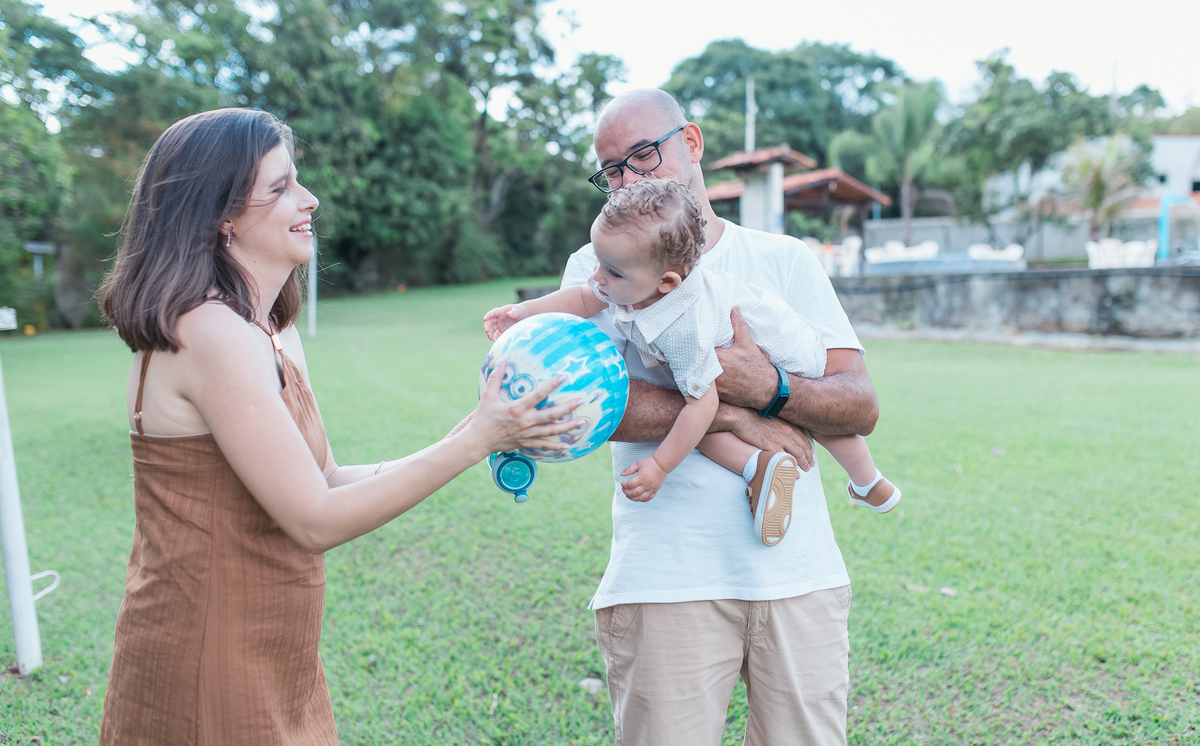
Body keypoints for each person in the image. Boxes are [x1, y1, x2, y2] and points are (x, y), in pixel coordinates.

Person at [95, 108, 582, 745]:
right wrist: (475, 441)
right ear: (220, 215)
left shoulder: (268, 329)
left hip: (272, 638)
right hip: (208, 645)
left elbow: (323, 478)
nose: (310, 199)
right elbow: (315, 520)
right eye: (280, 188)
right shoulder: (209, 332)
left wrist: (476, 430)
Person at [557, 89, 881, 746]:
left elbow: (858, 402)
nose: (629, 179)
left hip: (799, 576)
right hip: (664, 577)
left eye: (643, 155)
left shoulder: (782, 258)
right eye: (612, 169)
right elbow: (589, 399)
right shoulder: (598, 268)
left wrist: (771, 386)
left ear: (692, 142)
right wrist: (734, 414)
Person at [483, 178, 899, 547]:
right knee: (789, 420)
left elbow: (703, 407)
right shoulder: (628, 276)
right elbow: (581, 297)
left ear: (667, 282)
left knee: (696, 416)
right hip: (769, 335)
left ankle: (787, 469)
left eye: (611, 271)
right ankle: (865, 481)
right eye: (598, 261)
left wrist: (660, 465)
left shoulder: (681, 328)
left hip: (776, 346)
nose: (598, 277)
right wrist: (525, 312)